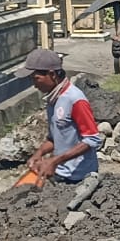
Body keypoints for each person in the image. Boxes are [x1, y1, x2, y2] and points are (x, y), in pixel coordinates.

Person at [20, 48, 104, 183]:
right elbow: (55, 138)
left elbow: (92, 139)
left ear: (52, 74)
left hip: (80, 177)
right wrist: (39, 153)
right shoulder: (53, 100)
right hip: (60, 172)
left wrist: (54, 160)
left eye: (36, 79)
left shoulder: (75, 99)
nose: (34, 85)